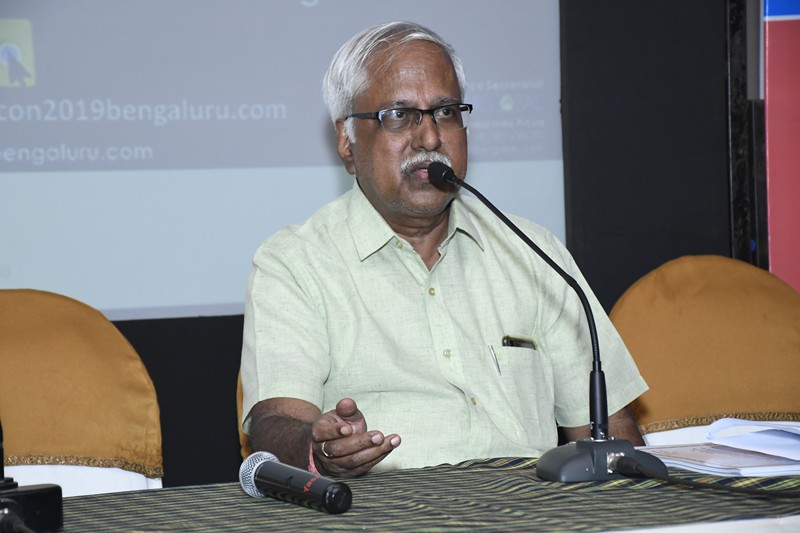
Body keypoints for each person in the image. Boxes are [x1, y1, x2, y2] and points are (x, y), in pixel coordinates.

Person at [240, 21, 647, 479]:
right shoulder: (294, 262)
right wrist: (321, 449)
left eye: (446, 112)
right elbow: (277, 423)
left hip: (530, 506)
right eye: (398, 115)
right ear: (347, 143)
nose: (431, 139)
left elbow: (611, 432)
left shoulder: (533, 251)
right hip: (385, 509)